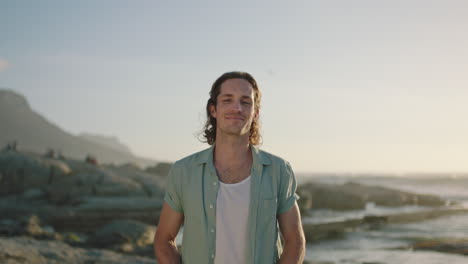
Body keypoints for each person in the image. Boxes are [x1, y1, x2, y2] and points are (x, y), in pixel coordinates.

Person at [154, 71, 306, 264]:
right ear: (213, 109)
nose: (237, 108)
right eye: (227, 100)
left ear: (255, 113)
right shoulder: (183, 171)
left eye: (245, 101)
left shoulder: (279, 170)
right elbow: (164, 240)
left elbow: (295, 241)